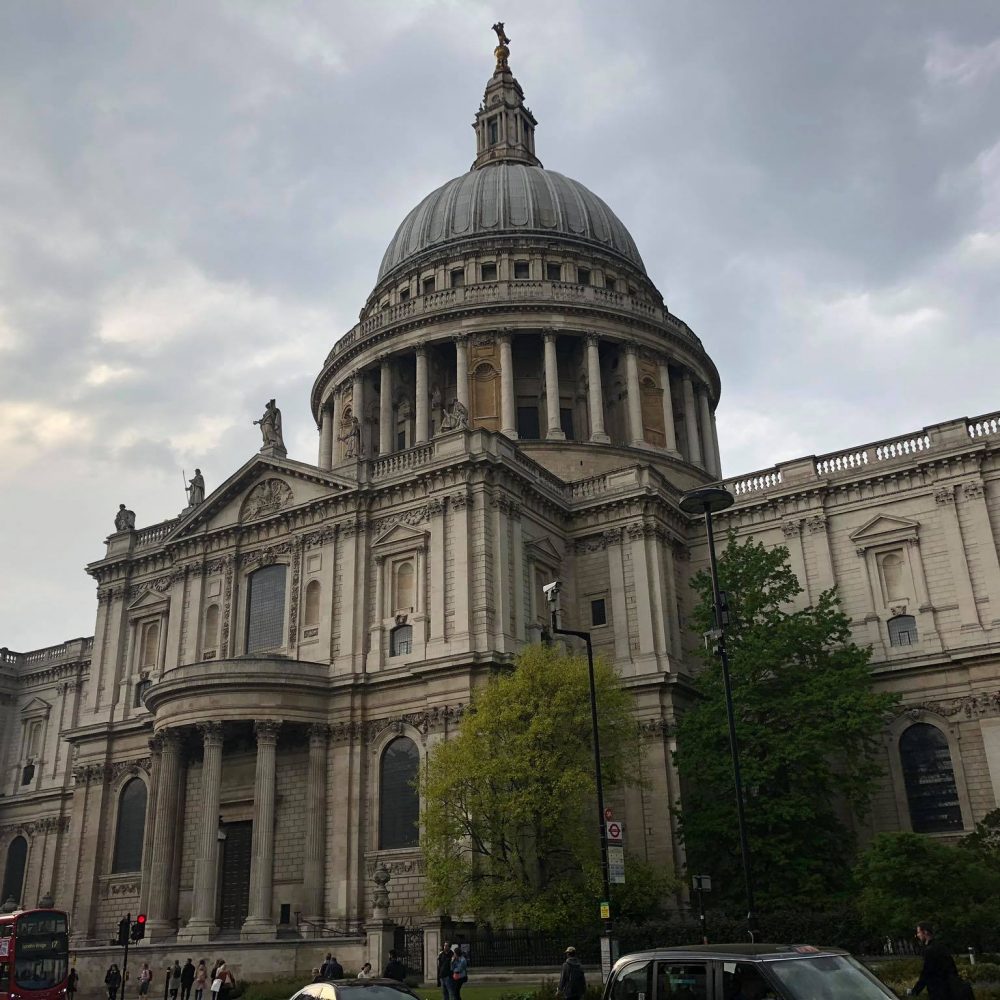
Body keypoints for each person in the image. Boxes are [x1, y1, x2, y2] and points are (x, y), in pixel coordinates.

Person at [910, 923, 958, 1000]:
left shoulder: (930, 950)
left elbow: (926, 973)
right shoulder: (941, 946)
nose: (917, 935)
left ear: (925, 932)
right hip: (950, 989)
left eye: (919, 932)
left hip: (939, 992)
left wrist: (915, 991)